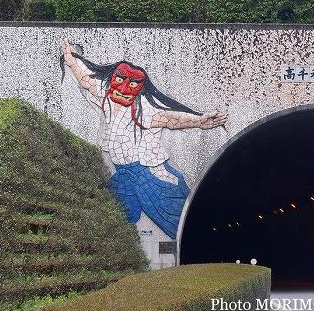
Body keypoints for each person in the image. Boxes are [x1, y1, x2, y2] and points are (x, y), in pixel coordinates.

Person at [60, 39, 227, 239]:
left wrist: (199, 121)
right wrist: (70, 60)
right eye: (120, 81)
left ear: (139, 88)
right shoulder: (106, 98)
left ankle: (204, 248)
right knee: (113, 218)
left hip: (146, 174)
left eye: (131, 85)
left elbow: (170, 118)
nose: (123, 90)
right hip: (122, 174)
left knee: (175, 219)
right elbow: (87, 81)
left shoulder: (144, 110)